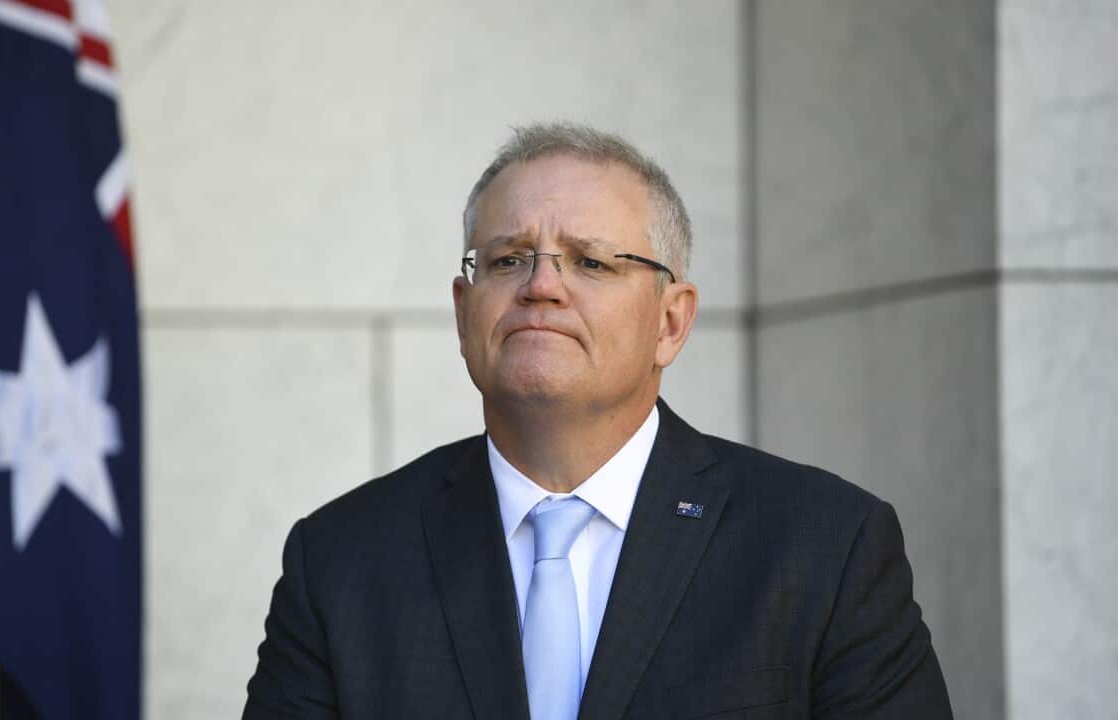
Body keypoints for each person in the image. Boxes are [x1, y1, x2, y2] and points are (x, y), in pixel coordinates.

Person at [243, 123, 953, 719]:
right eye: (509, 258)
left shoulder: (824, 548)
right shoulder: (341, 560)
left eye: (590, 262)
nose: (542, 286)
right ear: (465, 314)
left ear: (671, 323)